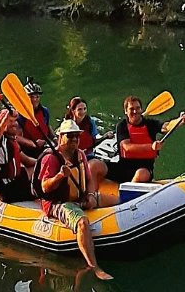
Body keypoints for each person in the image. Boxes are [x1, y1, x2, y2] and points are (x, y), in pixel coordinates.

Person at [34, 119, 116, 280]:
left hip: (80, 197)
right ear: (60, 137)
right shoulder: (51, 158)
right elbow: (44, 187)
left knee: (114, 200)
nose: (74, 139)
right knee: (82, 223)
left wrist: (90, 196)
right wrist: (59, 176)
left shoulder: (80, 155)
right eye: (70, 136)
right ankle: (94, 267)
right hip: (59, 203)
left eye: (76, 136)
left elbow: (89, 179)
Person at [104, 95, 185, 184]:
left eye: (138, 108)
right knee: (96, 165)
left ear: (141, 110)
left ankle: (129, 190)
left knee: (141, 173)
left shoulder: (150, 124)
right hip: (123, 168)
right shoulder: (122, 126)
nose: (135, 111)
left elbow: (166, 126)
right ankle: (94, 191)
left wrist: (180, 120)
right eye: (131, 109)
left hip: (145, 169)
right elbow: (127, 147)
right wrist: (151, 147)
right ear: (126, 111)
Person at [0, 108, 36, 203]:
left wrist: (44, 161)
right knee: (38, 192)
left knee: (35, 170)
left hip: (14, 180)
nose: (14, 124)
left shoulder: (12, 141)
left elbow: (27, 160)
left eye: (15, 121)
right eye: (10, 121)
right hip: (4, 188)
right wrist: (4, 123)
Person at [15, 77, 51, 158]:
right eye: (31, 97)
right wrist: (33, 144)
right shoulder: (20, 115)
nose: (35, 99)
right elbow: (17, 137)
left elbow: (48, 127)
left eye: (37, 97)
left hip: (44, 146)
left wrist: (55, 140)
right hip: (28, 150)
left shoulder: (44, 111)